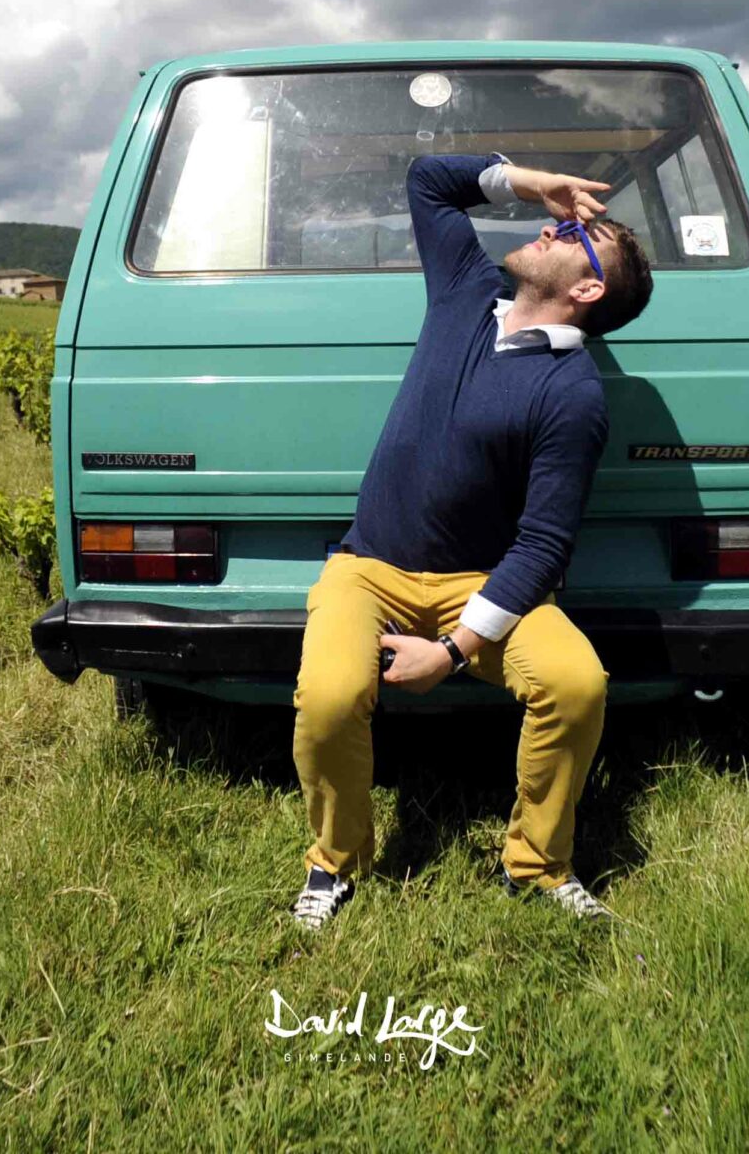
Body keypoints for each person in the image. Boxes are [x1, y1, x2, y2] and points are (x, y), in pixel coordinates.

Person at [289, 151, 654, 930]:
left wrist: (451, 652)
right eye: (559, 220)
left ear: (587, 290)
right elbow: (428, 180)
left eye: (573, 235)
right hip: (368, 568)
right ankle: (336, 861)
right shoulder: (465, 288)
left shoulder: (573, 394)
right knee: (328, 698)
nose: (552, 227)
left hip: (479, 585)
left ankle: (537, 865)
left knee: (577, 683)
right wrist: (535, 183)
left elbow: (543, 547)